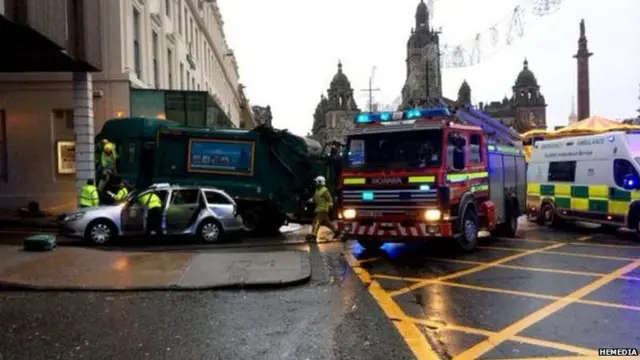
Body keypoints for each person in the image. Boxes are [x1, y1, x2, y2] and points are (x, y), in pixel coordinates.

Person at [307, 176, 341, 242]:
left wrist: (331, 204)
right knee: (326, 222)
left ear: (320, 182)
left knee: (316, 222)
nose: (315, 183)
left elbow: (329, 198)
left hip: (322, 209)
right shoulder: (317, 190)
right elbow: (315, 197)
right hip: (319, 209)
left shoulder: (324, 190)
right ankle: (337, 231)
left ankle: (313, 236)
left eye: (316, 182)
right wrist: (311, 200)